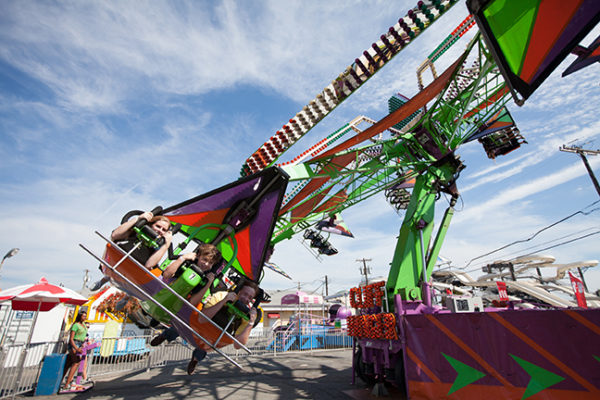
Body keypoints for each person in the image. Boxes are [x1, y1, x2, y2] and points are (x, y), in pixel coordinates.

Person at [151, 279, 260, 375]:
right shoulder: (221, 295)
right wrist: (224, 301)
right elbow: (202, 318)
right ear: (239, 291)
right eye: (244, 294)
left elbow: (237, 345)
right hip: (201, 324)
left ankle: (195, 360)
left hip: (213, 336)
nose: (246, 299)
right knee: (183, 326)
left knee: (204, 346)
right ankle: (165, 335)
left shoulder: (245, 316)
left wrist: (251, 322)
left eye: (250, 297)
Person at [90, 211, 172, 291]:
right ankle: (104, 280)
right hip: (117, 258)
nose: (160, 230)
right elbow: (114, 235)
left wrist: (166, 245)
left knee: (145, 276)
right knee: (115, 263)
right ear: (151, 225)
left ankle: (126, 297)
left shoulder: (157, 247)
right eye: (158, 226)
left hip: (134, 271)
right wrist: (138, 219)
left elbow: (149, 264)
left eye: (164, 230)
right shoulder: (133, 233)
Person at [62, 311, 88, 391]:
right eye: (83, 316)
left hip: (80, 343)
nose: (85, 317)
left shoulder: (83, 325)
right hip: (74, 344)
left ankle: (62, 381)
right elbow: (71, 339)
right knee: (77, 362)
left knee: (68, 364)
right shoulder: (75, 325)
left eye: (85, 316)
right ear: (80, 316)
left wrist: (83, 343)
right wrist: (76, 348)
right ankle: (67, 384)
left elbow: (83, 336)